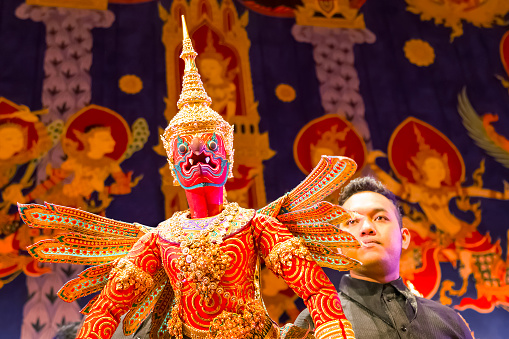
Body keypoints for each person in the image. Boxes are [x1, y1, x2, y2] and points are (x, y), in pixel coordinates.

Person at [21, 16, 358, 339]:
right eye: (185, 149)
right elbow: (106, 310)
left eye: (209, 145)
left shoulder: (255, 225)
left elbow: (315, 289)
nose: (197, 156)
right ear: (172, 167)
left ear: (228, 157)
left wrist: (335, 331)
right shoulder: (160, 240)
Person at [295, 176, 474, 338]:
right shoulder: (316, 322)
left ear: (404, 238)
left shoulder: (449, 322)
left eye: (380, 218)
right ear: (338, 245)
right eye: (352, 221)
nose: (366, 228)